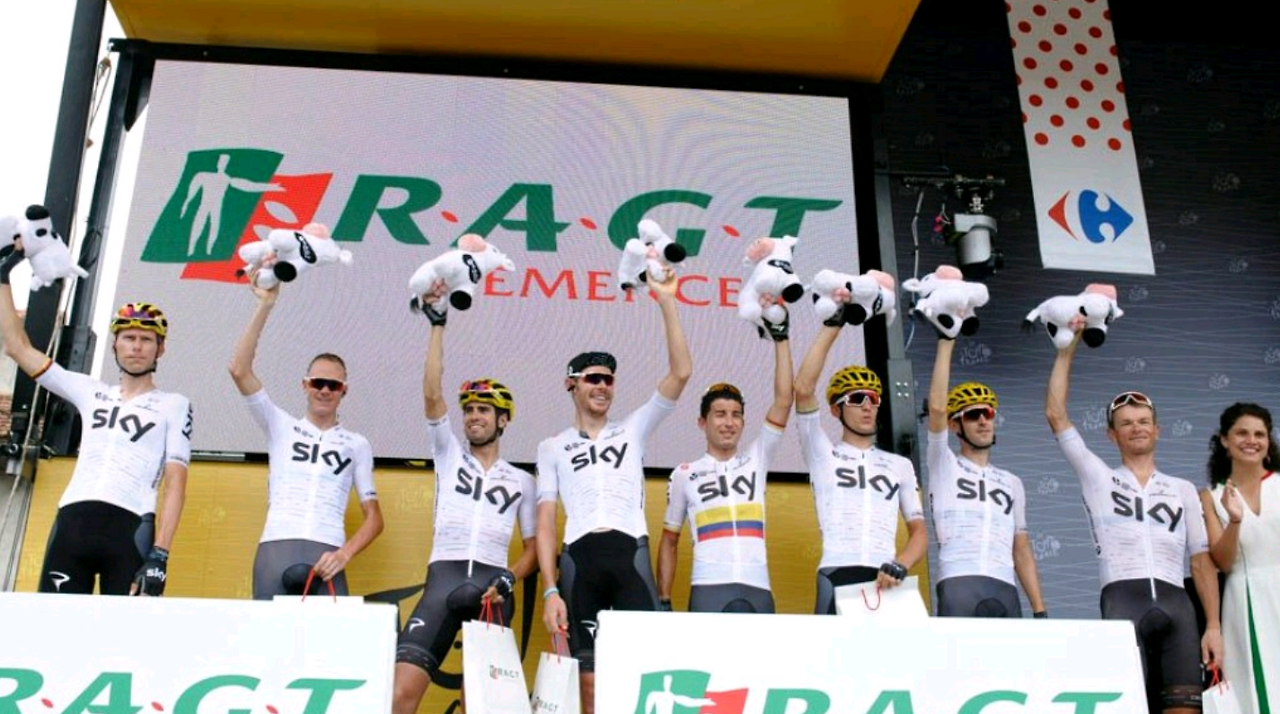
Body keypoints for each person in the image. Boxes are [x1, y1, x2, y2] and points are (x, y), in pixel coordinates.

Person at [536, 272, 692, 714]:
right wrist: (549, 591)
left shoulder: (633, 429)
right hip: (580, 561)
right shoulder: (552, 446)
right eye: (593, 378)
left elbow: (681, 373)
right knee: (588, 685)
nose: (603, 386)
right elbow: (546, 525)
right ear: (572, 384)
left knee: (644, 678)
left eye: (608, 379)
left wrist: (667, 302)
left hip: (630, 557)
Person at [1045, 336, 1222, 714]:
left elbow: (1201, 562)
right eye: (1126, 423)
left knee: (1186, 709)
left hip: (1178, 605)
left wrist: (1214, 627)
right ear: (1112, 435)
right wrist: (1066, 350)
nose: (1136, 428)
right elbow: (1057, 416)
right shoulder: (1099, 478)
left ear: (1157, 430)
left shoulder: (1183, 489)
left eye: (1143, 422)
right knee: (1128, 707)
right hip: (1123, 599)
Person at [0, 246, 191, 596]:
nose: (137, 347)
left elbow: (176, 484)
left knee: (128, 629)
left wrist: (160, 554)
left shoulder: (174, 405)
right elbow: (17, 347)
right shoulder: (90, 391)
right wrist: (2, 278)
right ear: (115, 345)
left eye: (146, 340)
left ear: (160, 349)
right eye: (129, 338)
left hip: (131, 526)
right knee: (55, 625)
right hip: (73, 521)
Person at [391, 294, 537, 714]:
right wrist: (437, 326)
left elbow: (533, 549)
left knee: (480, 704)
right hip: (443, 583)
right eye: (469, 410)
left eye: (484, 410)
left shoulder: (523, 481)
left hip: (492, 591)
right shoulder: (449, 455)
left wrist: (510, 578)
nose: (474, 416)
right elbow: (432, 396)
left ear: (503, 420)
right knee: (399, 695)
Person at [228, 259, 382, 599]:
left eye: (333, 385)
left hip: (327, 553)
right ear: (305, 385)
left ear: (344, 390)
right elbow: (239, 369)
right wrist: (265, 305)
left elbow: (374, 519)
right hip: (275, 548)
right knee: (268, 634)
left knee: (330, 637)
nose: (324, 390)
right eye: (317, 382)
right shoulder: (280, 425)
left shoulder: (357, 444)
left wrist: (345, 554)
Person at [792, 311, 927, 614]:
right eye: (856, 399)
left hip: (887, 576)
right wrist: (835, 324)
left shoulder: (900, 465)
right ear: (836, 410)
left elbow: (919, 532)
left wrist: (901, 563)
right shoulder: (823, 454)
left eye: (873, 399)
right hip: (837, 572)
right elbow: (802, 389)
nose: (867, 407)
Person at [658, 313, 793, 613]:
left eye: (736, 415)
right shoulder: (685, 474)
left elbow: (784, 401)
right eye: (720, 414)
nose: (729, 423)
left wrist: (781, 340)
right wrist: (663, 599)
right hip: (708, 587)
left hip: (759, 587)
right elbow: (669, 540)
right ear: (702, 422)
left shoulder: (756, 459)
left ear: (743, 422)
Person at [926, 337, 1046, 618]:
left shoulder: (1012, 482)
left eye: (988, 413)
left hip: (1005, 586)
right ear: (954, 425)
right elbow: (937, 409)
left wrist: (1040, 609)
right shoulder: (943, 464)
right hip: (959, 580)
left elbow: (1021, 549)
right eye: (973, 415)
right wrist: (947, 341)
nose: (983, 421)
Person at [1201, 402, 1278, 714]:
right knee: (1255, 694)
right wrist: (1234, 520)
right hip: (1244, 599)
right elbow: (1223, 561)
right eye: (1242, 433)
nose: (1252, 440)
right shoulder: (1211, 496)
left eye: (1260, 434)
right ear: (1224, 440)